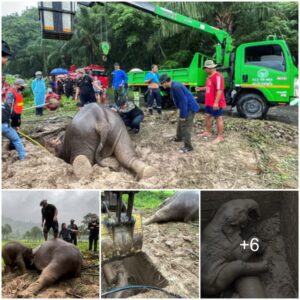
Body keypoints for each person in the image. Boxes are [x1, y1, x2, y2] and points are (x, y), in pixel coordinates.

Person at [160, 74, 200, 153]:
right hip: (185, 107)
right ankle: (178, 138)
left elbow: (183, 102)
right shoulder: (173, 85)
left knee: (186, 126)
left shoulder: (176, 87)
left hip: (189, 108)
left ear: (165, 82)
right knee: (180, 123)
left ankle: (188, 147)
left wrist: (183, 115)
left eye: (161, 83)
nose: (161, 85)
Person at [2, 40, 26, 160]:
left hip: (17, 114)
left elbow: (18, 104)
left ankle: (13, 146)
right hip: (11, 115)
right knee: (15, 135)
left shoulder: (18, 92)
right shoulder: (11, 92)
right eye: (5, 57)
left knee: (16, 132)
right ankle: (17, 151)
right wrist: (12, 118)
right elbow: (8, 106)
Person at [197, 60, 226, 144]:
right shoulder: (209, 77)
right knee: (207, 116)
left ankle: (220, 137)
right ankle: (208, 132)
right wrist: (201, 88)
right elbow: (209, 87)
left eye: (205, 68)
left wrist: (216, 103)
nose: (205, 70)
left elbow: (220, 90)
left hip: (216, 103)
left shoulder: (218, 77)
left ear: (210, 68)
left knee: (218, 118)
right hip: (209, 102)